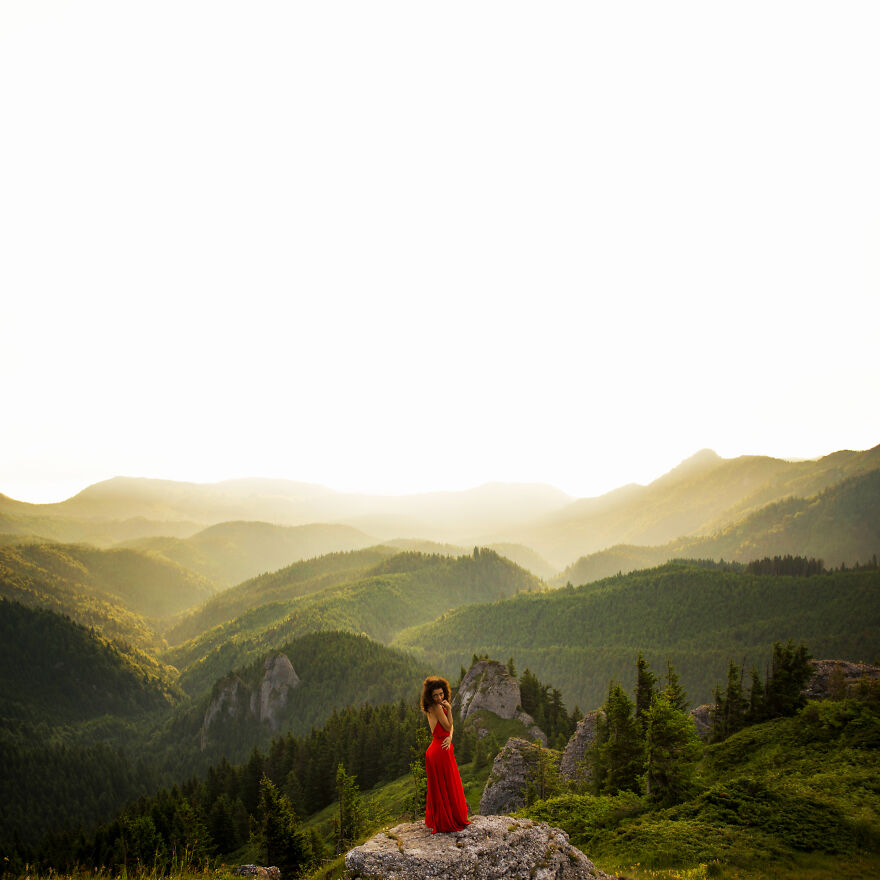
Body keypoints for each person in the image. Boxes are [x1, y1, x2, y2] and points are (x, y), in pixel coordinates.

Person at [420, 675, 470, 833]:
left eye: (441, 694)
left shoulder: (437, 707)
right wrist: (449, 710)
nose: (439, 698)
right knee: (446, 786)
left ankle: (445, 817)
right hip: (439, 752)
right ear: (430, 696)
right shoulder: (436, 708)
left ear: (445, 693)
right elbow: (449, 726)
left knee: (444, 787)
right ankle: (447, 820)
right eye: (435, 695)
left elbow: (449, 730)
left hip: (439, 748)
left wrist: (450, 737)